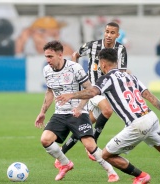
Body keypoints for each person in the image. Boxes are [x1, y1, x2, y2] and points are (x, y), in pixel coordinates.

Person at [56, 48, 160, 184]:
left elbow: (92, 92)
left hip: (137, 124)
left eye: (100, 63)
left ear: (103, 64)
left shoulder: (107, 78)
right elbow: (150, 96)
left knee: (106, 155)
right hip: (151, 117)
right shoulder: (131, 77)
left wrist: (71, 95)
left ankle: (141, 176)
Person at [34, 41, 119, 182]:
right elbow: (50, 91)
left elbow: (90, 90)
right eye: (46, 57)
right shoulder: (47, 70)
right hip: (60, 113)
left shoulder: (75, 68)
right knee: (45, 139)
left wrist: (80, 107)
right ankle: (65, 164)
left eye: (50, 56)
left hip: (78, 113)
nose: (47, 60)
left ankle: (111, 172)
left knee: (90, 145)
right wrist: (42, 112)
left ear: (60, 55)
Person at [59, 22, 128, 160]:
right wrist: (76, 74)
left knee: (84, 127)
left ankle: (61, 153)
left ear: (117, 35)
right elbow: (75, 54)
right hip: (93, 89)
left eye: (112, 33)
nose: (108, 35)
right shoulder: (92, 46)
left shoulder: (121, 50)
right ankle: (93, 146)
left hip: (107, 92)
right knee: (107, 111)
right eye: (107, 31)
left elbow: (122, 72)